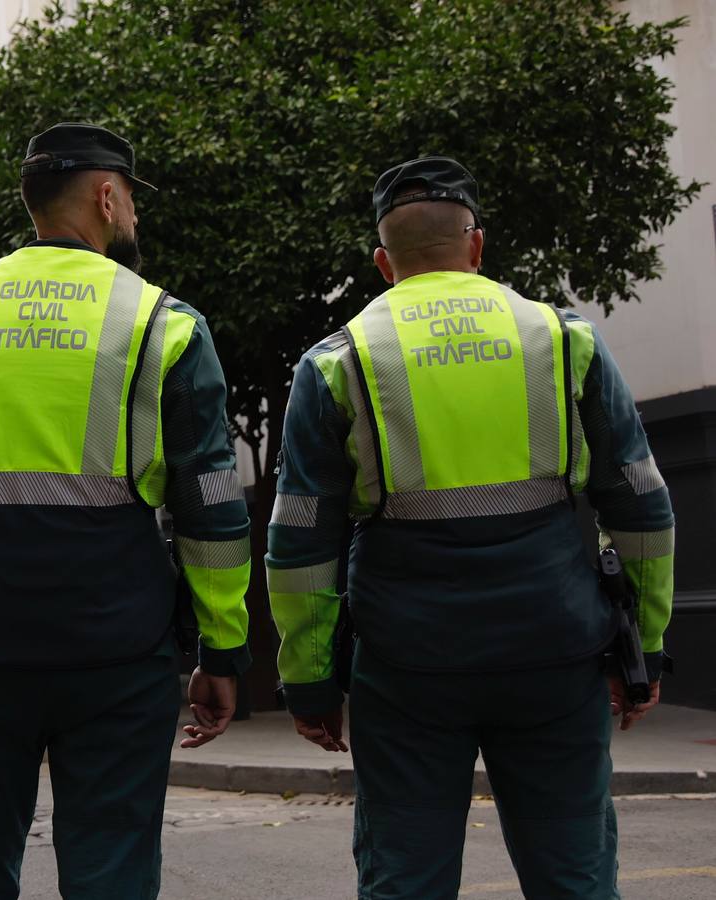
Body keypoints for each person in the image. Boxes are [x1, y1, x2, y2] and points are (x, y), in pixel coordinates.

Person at [0, 122, 253, 898]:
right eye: (131, 199)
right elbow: (212, 513)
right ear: (107, 196)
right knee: (111, 867)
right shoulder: (163, 323)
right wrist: (222, 653)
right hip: (118, 648)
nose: (134, 215)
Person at [267, 156, 676, 899]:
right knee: (576, 874)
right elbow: (642, 506)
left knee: (406, 875)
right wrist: (644, 646)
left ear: (384, 263)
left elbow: (301, 544)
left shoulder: (338, 362)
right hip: (556, 650)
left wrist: (308, 681)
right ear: (476, 246)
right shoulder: (562, 339)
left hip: (407, 664)